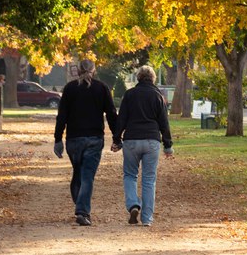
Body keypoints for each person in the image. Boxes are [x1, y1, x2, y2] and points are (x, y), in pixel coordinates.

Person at [54, 60, 118, 226]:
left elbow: (62, 116)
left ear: (78, 70)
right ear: (94, 70)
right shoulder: (102, 88)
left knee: (78, 172)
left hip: (74, 140)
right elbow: (111, 113)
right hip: (94, 139)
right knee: (87, 175)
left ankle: (80, 204)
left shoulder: (70, 89)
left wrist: (58, 139)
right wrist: (117, 137)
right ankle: (82, 210)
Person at [112, 65, 173, 227]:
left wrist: (117, 140)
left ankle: (133, 205)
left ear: (138, 78)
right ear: (152, 78)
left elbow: (122, 119)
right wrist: (168, 145)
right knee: (149, 179)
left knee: (130, 175)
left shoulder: (130, 95)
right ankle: (147, 218)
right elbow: (164, 123)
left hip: (132, 140)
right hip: (152, 140)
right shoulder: (158, 96)